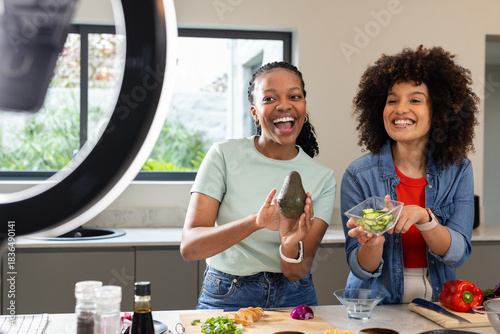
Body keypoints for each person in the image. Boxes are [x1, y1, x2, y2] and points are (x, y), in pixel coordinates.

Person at [180, 61, 336, 309]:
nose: (284, 104)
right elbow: (190, 248)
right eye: (269, 98)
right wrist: (255, 222)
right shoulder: (224, 155)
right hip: (228, 293)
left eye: (294, 96)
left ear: (303, 108)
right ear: (254, 112)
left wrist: (289, 244)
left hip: (294, 295)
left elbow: (296, 271)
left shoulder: (323, 178)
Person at [340, 45, 479, 304]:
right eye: (392, 100)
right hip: (374, 304)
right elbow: (361, 267)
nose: (400, 109)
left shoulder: (459, 169)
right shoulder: (358, 174)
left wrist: (424, 218)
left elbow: (458, 253)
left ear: (438, 111)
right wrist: (373, 243)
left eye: (415, 100)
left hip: (440, 300)